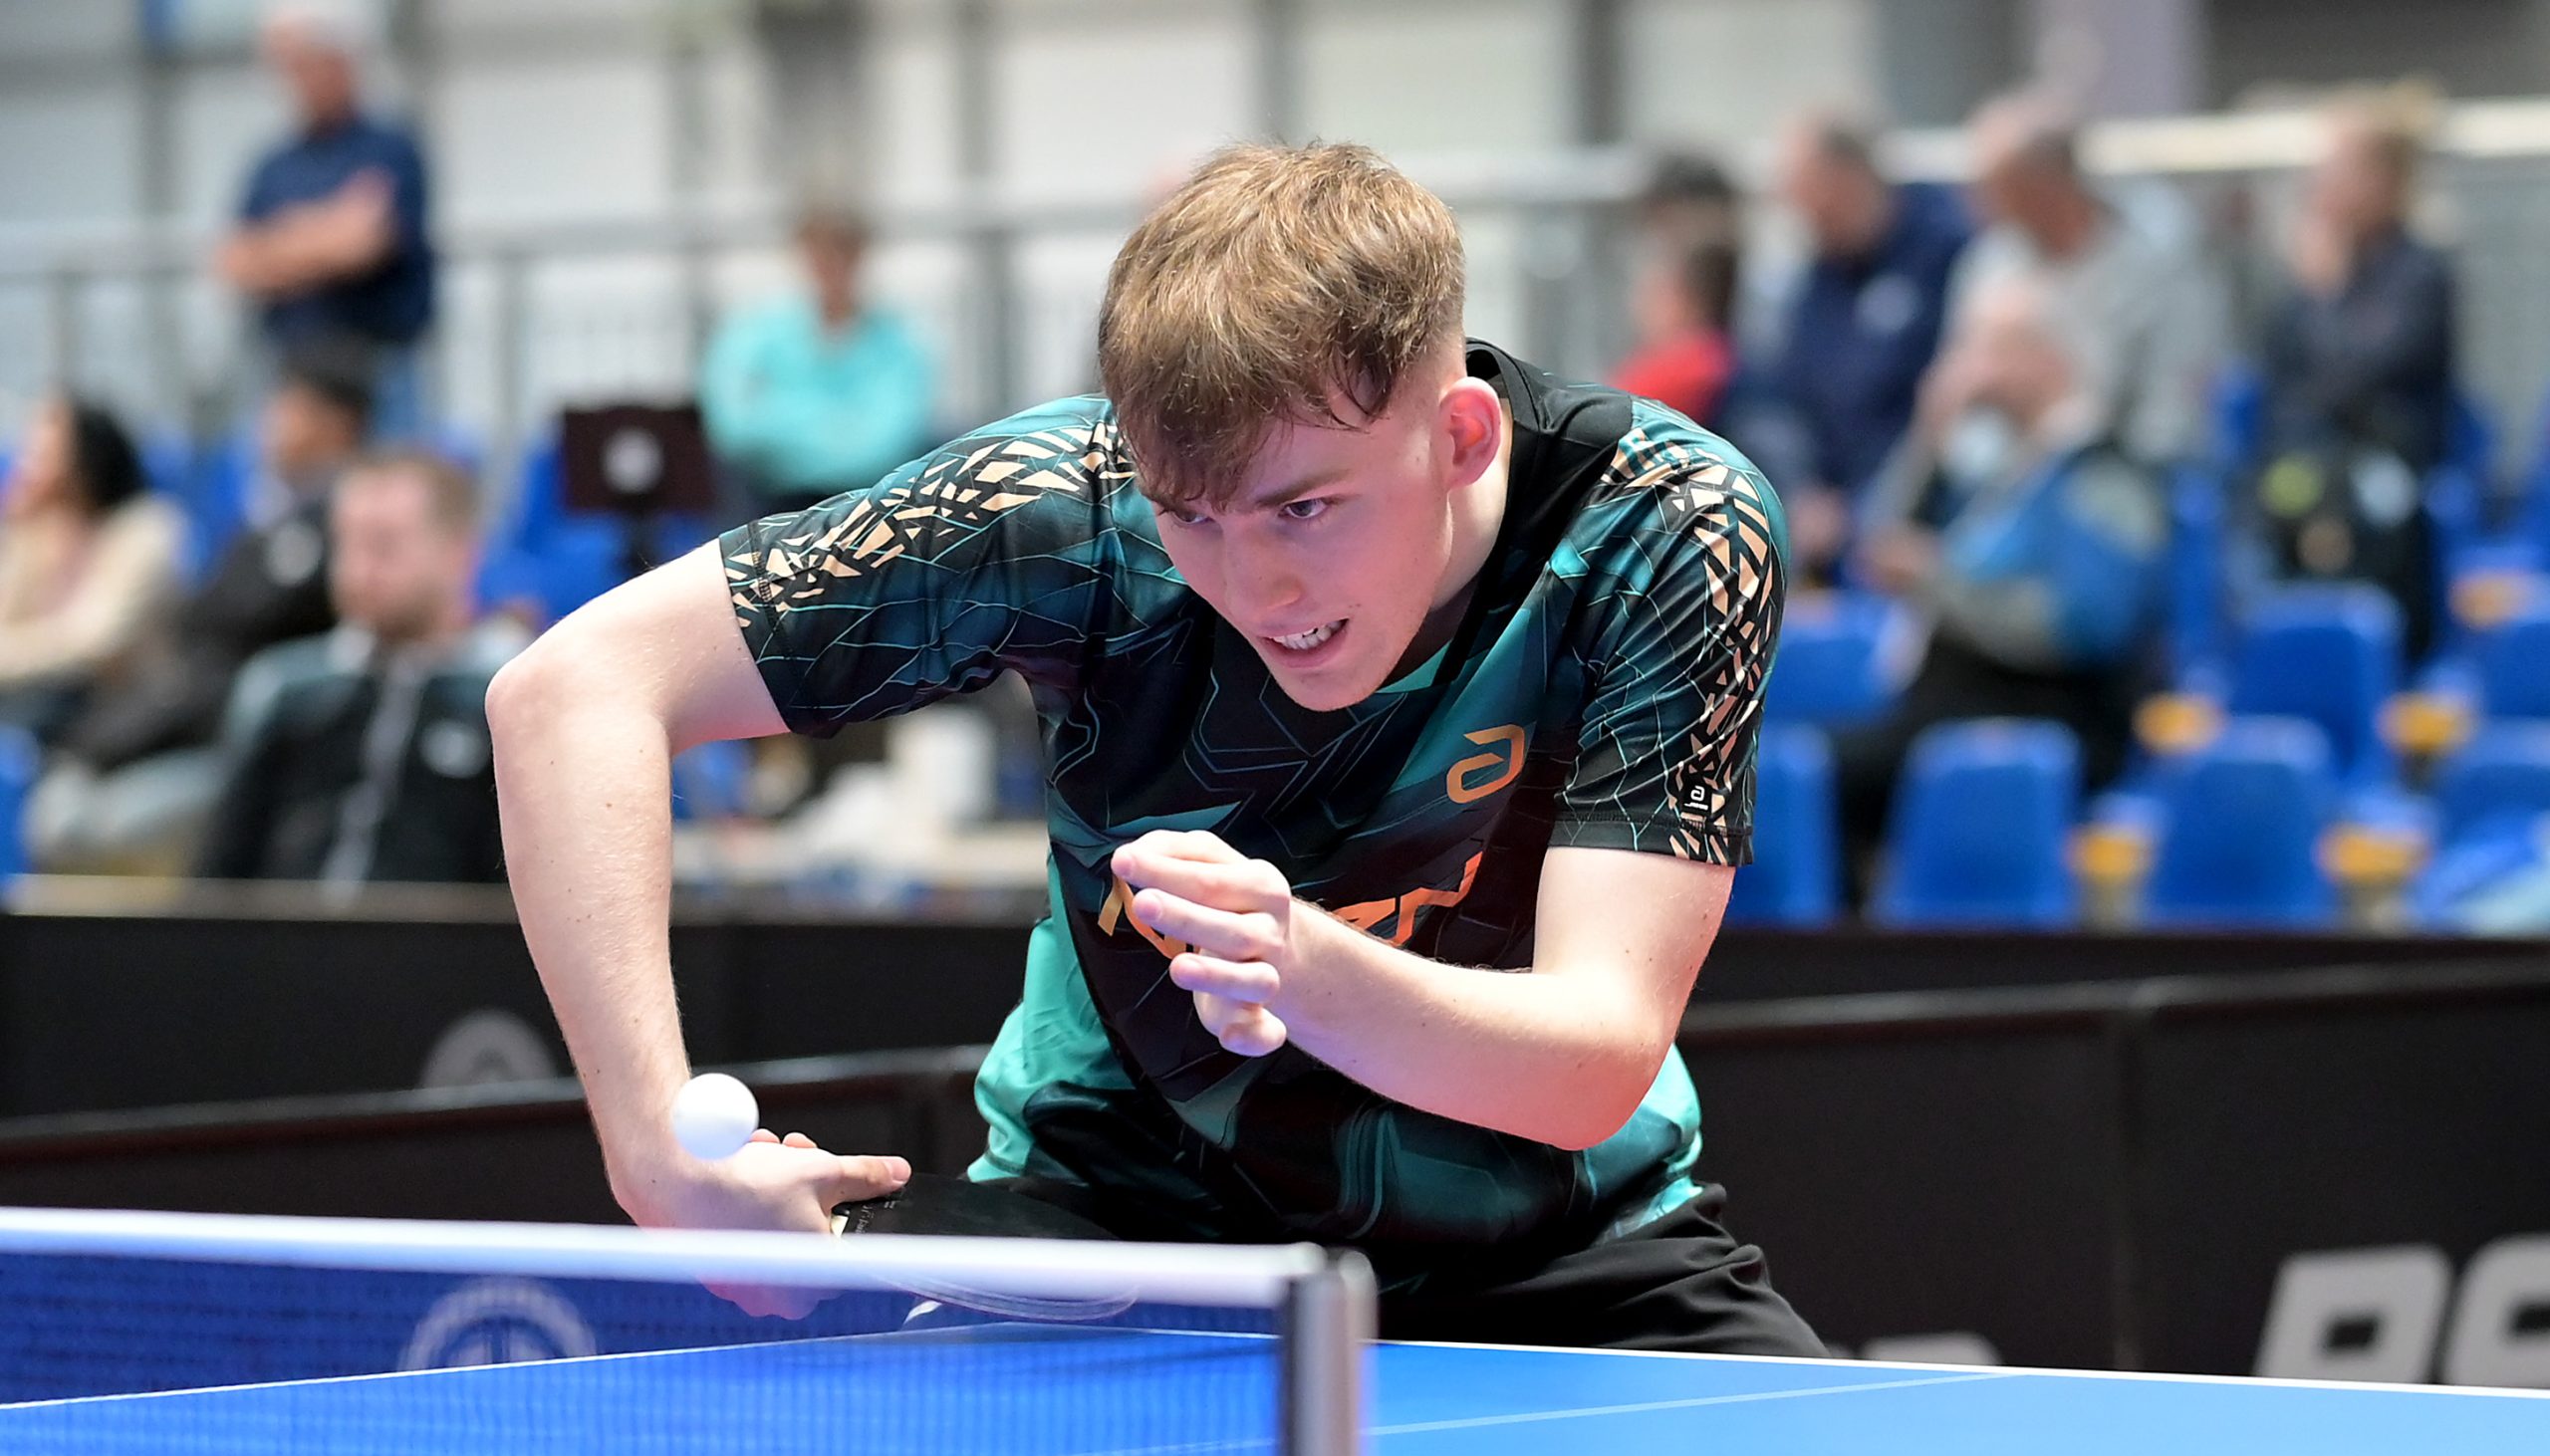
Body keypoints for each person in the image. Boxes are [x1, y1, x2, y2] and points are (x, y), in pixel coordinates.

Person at [491, 142, 1812, 1355]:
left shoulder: (1666, 528)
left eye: (1304, 508)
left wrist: (1306, 968)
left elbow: (1592, 1064)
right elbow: (570, 691)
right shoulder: (1060, 508)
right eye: (1193, 515)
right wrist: (654, 1152)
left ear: (1458, 437)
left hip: (1562, 1246)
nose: (1254, 587)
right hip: (1120, 1237)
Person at [1836, 275, 2167, 870]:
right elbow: (1879, 539)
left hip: (2043, 722)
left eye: (1988, 347)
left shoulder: (2101, 476)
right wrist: (1930, 431)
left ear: (2046, 358)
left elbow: (2084, 624)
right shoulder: (2002, 475)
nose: (1969, 367)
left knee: (1808, 777)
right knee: (1782, 763)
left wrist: (1938, 581)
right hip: (1947, 718)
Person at [35, 344, 373, 873]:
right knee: (59, 803)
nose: (269, 423)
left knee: (100, 826)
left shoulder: (345, 517)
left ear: (335, 423)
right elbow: (208, 619)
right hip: (179, 723)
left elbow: (240, 618)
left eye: (287, 407)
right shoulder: (265, 514)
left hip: (251, 746)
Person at [197, 450, 511, 885]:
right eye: (347, 543)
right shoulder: (285, 686)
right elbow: (221, 867)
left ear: (459, 555)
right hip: (287, 925)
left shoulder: (499, 700)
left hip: (435, 928)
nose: (360, 570)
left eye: (384, 546)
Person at [2251, 95, 2456, 658]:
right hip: (2301, 478)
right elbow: (2281, 391)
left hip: (2387, 490)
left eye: (2334, 170)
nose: (2317, 187)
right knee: (2267, 494)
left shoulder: (2420, 275)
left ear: (2383, 182)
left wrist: (2326, 293)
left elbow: (2348, 382)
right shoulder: (2308, 280)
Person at [1950, 91, 2222, 470]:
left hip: (2129, 477)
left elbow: (2175, 407)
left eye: (1995, 188)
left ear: (2047, 184)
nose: (1977, 204)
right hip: (2009, 484)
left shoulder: (2158, 261)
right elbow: (1959, 402)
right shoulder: (1990, 266)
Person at [1763, 113, 1969, 581]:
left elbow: (1941, 400)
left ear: (1847, 177)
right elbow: (1785, 398)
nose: (1803, 216)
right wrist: (1803, 490)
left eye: (1810, 196)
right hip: (1830, 519)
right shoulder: (1816, 275)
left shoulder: (1945, 248)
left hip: (1925, 511)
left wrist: (1870, 508)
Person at [216, 0, 433, 437]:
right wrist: (326, 232)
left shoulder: (390, 148)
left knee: (385, 474)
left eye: (303, 62)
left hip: (376, 369)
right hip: (292, 369)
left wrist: (280, 242)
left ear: (341, 61)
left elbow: (362, 245)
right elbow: (234, 262)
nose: (292, 78)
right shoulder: (273, 163)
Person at [699, 206, 937, 515]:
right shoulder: (753, 331)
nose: (832, 265)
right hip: (770, 505)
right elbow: (735, 429)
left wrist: (784, 417)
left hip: (867, 507)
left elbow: (891, 442)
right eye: (821, 252)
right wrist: (841, 427)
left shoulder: (899, 340)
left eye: (843, 250)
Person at [0, 398, 183, 746]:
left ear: (83, 463)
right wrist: (15, 529)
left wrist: (4, 658)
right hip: (42, 703)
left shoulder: (146, 531)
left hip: (125, 714)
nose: (24, 466)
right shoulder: (39, 532)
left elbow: (92, 645)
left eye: (40, 455)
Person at [1609, 235, 1739, 429]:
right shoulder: (1723, 354)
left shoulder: (1683, 365)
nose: (1637, 306)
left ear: (1685, 297)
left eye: (1652, 291)